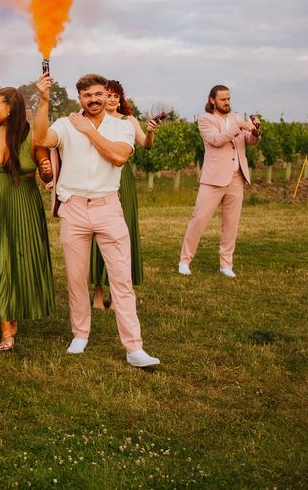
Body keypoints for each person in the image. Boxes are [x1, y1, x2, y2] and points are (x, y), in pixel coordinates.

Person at [34, 72, 159, 368]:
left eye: (98, 94)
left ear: (106, 95)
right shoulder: (65, 125)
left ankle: (134, 347)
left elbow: (118, 157)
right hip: (74, 208)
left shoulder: (122, 126)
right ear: (80, 97)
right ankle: (80, 334)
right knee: (76, 279)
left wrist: (88, 131)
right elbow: (41, 138)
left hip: (108, 207)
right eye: (87, 95)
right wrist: (42, 100)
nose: (93, 99)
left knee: (121, 280)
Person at [0, 86, 54, 352]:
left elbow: (46, 176)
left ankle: (14, 311)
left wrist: (46, 170)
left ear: (11, 108)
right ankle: (5, 326)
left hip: (24, 203)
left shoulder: (33, 137)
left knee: (19, 260)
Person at [90, 81, 162, 309]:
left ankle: (118, 293)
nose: (112, 100)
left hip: (123, 179)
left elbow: (146, 145)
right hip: (99, 176)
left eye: (116, 96)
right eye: (108, 95)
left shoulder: (128, 121)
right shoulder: (95, 119)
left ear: (121, 99)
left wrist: (150, 131)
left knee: (121, 232)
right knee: (98, 232)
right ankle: (98, 293)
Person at [178, 85, 260, 278]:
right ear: (212, 100)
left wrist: (256, 131)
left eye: (229, 99)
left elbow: (250, 140)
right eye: (223, 99)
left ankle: (226, 264)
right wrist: (238, 126)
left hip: (236, 177)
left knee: (231, 223)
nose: (227, 102)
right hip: (213, 179)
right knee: (198, 220)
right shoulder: (206, 119)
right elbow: (216, 140)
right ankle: (184, 260)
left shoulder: (235, 118)